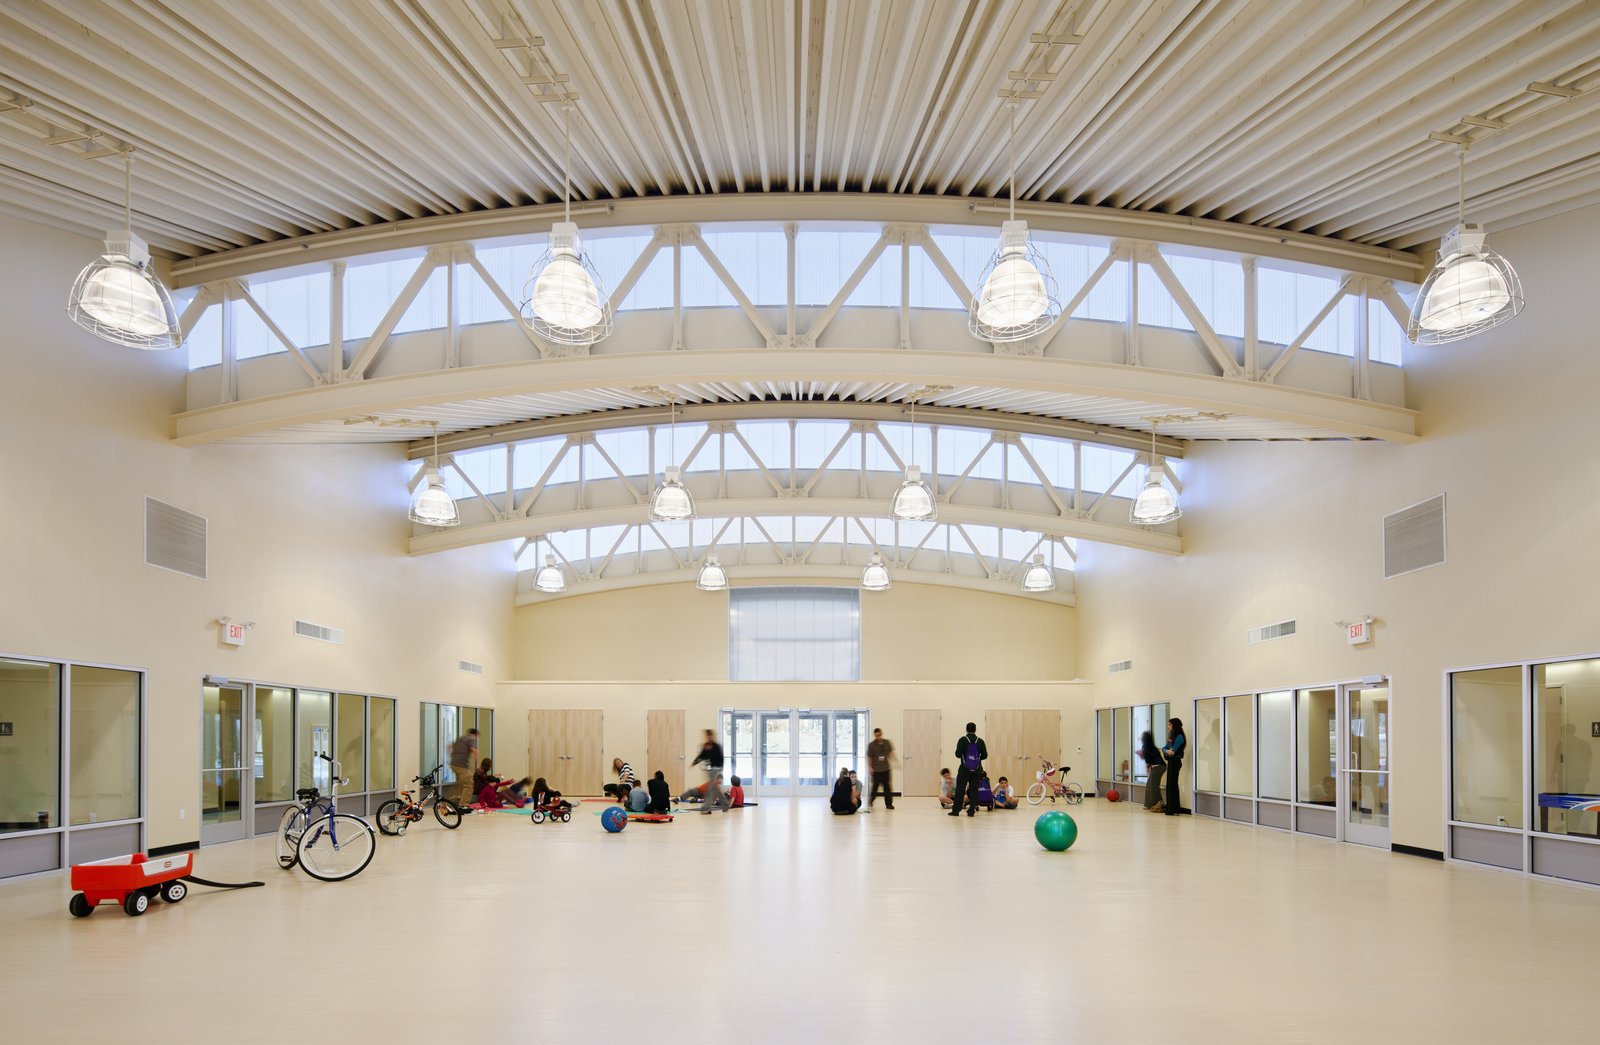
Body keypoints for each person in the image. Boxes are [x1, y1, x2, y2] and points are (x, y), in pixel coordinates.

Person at [949, 722, 987, 818]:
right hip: (977, 769)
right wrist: (976, 760)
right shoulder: (980, 741)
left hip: (964, 769)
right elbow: (985, 755)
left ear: (966, 729)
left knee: (960, 789)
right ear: (975, 730)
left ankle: (956, 810)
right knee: (974, 790)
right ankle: (971, 811)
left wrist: (966, 757)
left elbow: (957, 754)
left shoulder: (962, 740)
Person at [690, 729, 725, 815]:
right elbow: (702, 755)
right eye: (707, 736)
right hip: (711, 770)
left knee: (709, 789)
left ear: (712, 736)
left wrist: (719, 773)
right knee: (714, 789)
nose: (708, 737)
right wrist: (694, 762)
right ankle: (725, 804)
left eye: (709, 736)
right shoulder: (706, 745)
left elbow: (718, 758)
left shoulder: (716, 746)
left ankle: (707, 808)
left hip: (717, 769)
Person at [1161, 718, 1189, 816]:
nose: (1168, 726)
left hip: (1176, 762)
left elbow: (1172, 752)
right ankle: (1172, 808)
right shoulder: (1171, 736)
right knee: (1170, 785)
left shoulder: (1180, 737)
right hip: (1171, 762)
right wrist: (1166, 751)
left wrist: (1168, 751)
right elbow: (1164, 748)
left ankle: (1174, 809)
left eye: (1170, 725)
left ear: (1174, 725)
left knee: (1173, 785)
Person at [448, 727, 479, 808]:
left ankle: (451, 802)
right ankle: (463, 805)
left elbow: (450, 746)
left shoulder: (461, 738)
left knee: (460, 784)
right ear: (475, 735)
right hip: (462, 765)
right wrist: (477, 763)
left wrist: (452, 755)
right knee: (469, 784)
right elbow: (474, 750)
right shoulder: (471, 739)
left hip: (453, 764)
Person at [866, 727, 895, 809]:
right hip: (876, 770)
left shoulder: (887, 743)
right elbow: (869, 757)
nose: (878, 737)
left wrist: (894, 760)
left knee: (887, 787)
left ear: (881, 734)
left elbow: (890, 753)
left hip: (886, 769)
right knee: (875, 787)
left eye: (879, 735)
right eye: (876, 736)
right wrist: (870, 768)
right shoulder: (871, 745)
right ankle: (871, 800)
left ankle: (889, 804)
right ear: (874, 735)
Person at [1139, 729, 1167, 813]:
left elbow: (1148, 759)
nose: (1141, 738)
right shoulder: (1150, 746)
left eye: (1142, 737)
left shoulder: (1146, 746)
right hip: (1157, 766)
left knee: (1153, 785)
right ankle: (1148, 804)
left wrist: (1142, 756)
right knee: (1149, 785)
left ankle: (1159, 803)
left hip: (1159, 766)